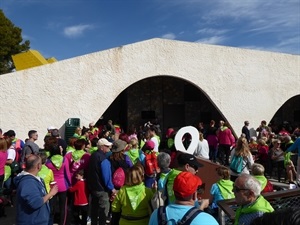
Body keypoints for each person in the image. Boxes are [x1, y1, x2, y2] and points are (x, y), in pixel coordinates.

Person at [149, 171, 218, 225]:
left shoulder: (156, 214)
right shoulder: (208, 220)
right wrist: (201, 208)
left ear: (173, 191)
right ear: (194, 195)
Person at [14, 154, 58, 225]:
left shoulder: (34, 179)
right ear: (38, 166)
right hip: (32, 221)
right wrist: (50, 194)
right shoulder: (28, 182)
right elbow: (35, 203)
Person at [87, 138, 117, 225]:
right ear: (101, 147)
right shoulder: (104, 159)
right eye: (107, 146)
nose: (109, 148)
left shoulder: (93, 155)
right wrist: (112, 188)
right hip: (102, 189)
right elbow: (106, 176)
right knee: (103, 211)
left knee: (94, 210)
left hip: (93, 188)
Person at [45, 144, 71, 225]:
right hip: (63, 185)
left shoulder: (48, 161)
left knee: (51, 206)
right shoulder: (64, 160)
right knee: (63, 207)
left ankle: (50, 222)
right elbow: (67, 173)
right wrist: (69, 184)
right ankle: (62, 223)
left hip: (52, 186)